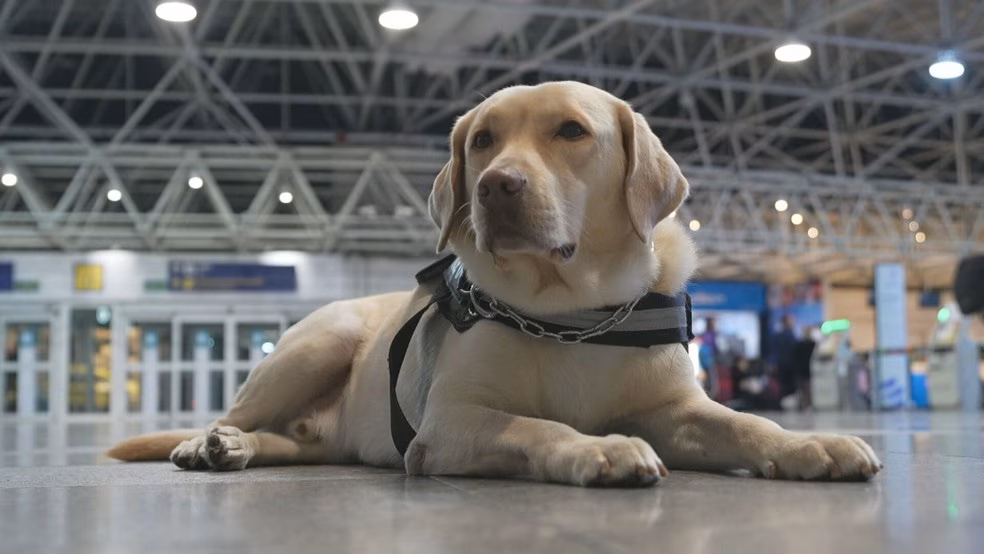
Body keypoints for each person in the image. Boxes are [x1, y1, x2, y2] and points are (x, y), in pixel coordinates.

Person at [771, 314, 798, 404]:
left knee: (784, 386)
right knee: (789, 386)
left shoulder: (779, 335)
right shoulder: (790, 335)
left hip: (782, 364)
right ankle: (788, 403)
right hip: (789, 365)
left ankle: (783, 403)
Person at [791, 326, 818, 410]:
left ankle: (804, 405)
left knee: (802, 389)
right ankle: (808, 404)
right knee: (808, 388)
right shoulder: (813, 344)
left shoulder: (799, 345)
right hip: (808, 370)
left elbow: (794, 358)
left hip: (801, 370)